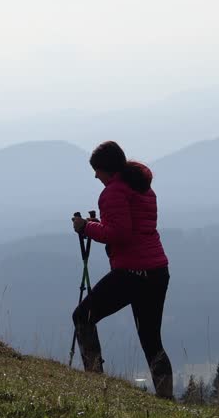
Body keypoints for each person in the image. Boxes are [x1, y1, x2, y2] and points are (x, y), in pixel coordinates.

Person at [71, 140, 174, 399]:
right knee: (151, 339)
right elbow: (131, 227)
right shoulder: (143, 188)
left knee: (83, 316)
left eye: (97, 170)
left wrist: (86, 227)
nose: (96, 176)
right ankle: (166, 397)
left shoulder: (112, 193)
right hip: (157, 271)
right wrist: (99, 225)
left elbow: (120, 234)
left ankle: (94, 380)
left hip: (132, 272)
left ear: (107, 168)